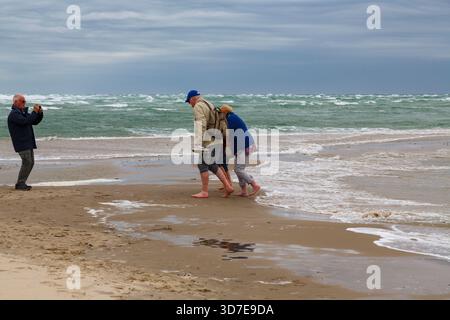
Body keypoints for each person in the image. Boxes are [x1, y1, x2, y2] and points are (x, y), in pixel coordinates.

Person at [185, 90, 234, 198]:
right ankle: (228, 186)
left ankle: (204, 192)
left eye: (189, 101)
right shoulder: (209, 104)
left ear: (193, 98)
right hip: (215, 137)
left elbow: (200, 124)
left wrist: (198, 143)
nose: (189, 104)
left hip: (207, 140)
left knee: (202, 164)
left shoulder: (198, 106)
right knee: (211, 164)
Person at [220, 105, 261, 197]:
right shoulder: (232, 117)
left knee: (239, 169)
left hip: (244, 145)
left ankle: (254, 185)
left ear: (224, 112)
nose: (220, 115)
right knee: (239, 169)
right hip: (243, 144)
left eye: (220, 113)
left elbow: (229, 135)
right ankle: (244, 191)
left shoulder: (231, 119)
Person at [7, 94, 44, 191]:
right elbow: (26, 121)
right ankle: (20, 183)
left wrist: (39, 113)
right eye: (22, 101)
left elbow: (34, 121)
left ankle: (21, 183)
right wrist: (34, 112)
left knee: (31, 163)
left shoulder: (22, 113)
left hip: (28, 142)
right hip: (21, 143)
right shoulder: (14, 114)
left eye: (25, 101)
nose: (24, 103)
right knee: (27, 162)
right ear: (16, 102)